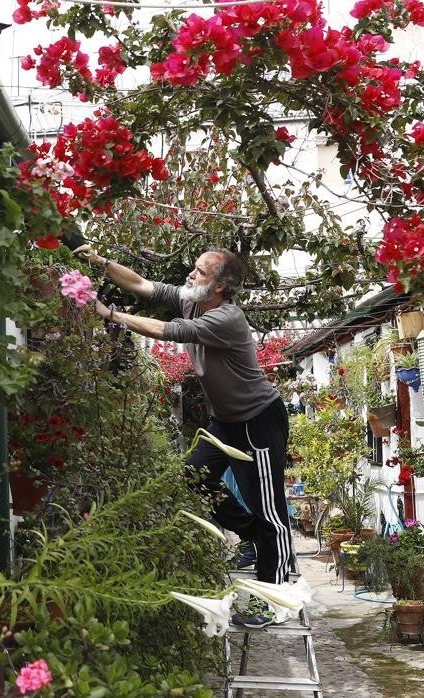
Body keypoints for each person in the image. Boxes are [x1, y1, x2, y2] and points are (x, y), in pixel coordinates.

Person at [76, 245, 293, 625]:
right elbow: (143, 285)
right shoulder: (194, 300)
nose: (192, 276)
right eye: (194, 269)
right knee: (190, 479)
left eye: (201, 272)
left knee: (269, 509)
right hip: (224, 421)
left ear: (221, 287)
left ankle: (273, 598)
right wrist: (101, 262)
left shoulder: (227, 318)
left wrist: (109, 314)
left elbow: (165, 330)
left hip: (258, 420)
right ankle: (252, 534)